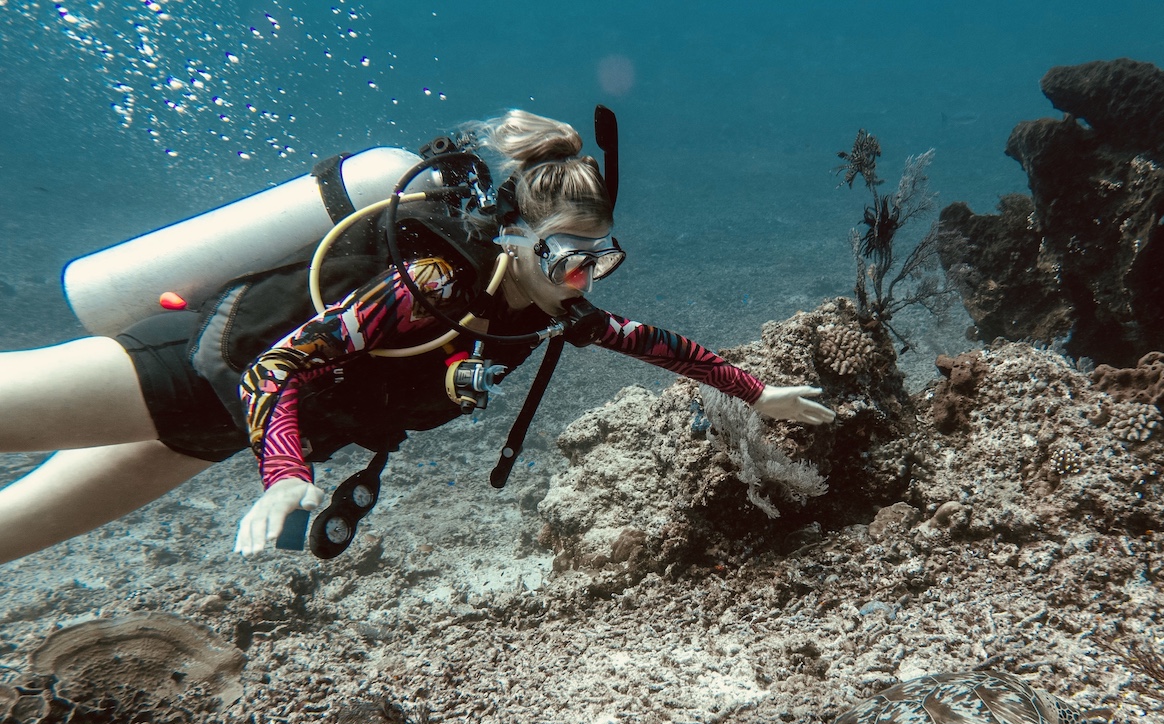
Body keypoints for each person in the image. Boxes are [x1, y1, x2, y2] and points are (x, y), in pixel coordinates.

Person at [0, 110, 833, 565]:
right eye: (564, 257)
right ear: (513, 240)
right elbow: (275, 369)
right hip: (183, 375)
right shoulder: (433, 284)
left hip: (213, 436)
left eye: (599, 259)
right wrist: (286, 479)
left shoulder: (547, 306)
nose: (582, 278)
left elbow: (654, 343)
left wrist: (758, 391)